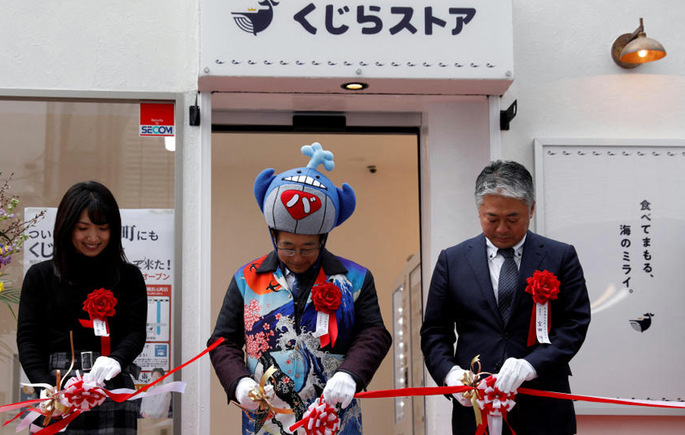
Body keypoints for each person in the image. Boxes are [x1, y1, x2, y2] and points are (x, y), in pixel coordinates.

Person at [208, 143, 392, 435]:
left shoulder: (355, 278)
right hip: (266, 418)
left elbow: (375, 334)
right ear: (273, 236)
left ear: (323, 238)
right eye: (287, 246)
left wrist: (351, 373)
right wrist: (238, 382)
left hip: (333, 418)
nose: (297, 256)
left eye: (308, 247)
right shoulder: (247, 278)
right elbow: (223, 341)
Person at [420, 160, 591, 435]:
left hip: (544, 407)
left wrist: (530, 365)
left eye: (513, 219)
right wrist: (450, 376)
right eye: (492, 219)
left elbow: (574, 324)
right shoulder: (452, 261)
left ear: (531, 209)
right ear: (479, 210)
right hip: (476, 407)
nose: (502, 229)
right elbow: (434, 333)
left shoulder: (561, 257)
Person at [17, 181, 148, 434]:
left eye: (103, 228)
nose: (93, 237)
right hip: (56, 386)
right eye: (83, 228)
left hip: (110, 383)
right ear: (67, 227)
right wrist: (42, 385)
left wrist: (117, 360)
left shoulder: (128, 277)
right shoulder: (41, 275)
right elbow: (28, 338)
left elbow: (135, 332)